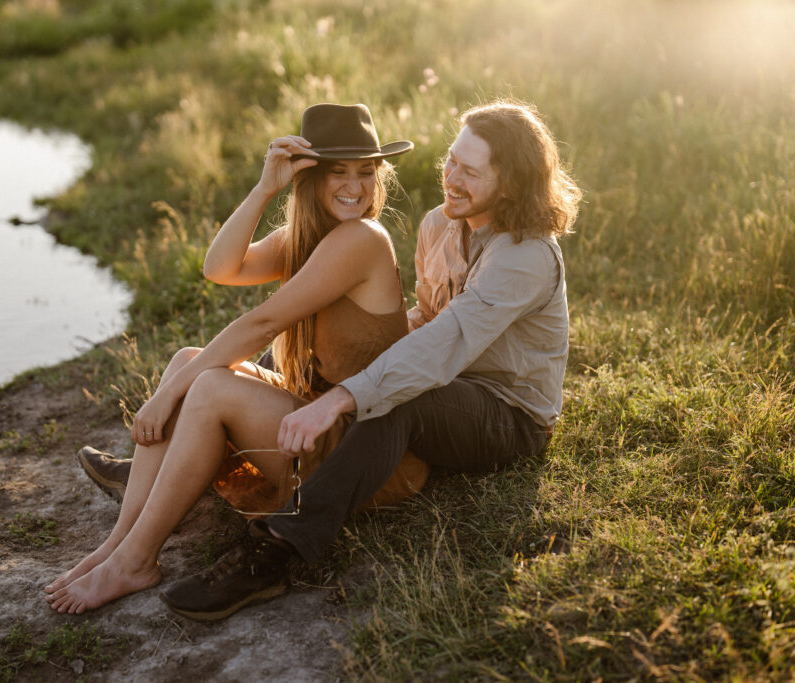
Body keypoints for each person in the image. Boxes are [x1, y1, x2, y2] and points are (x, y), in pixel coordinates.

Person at [158, 99, 582, 621]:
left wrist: (340, 398)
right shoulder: (440, 225)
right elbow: (427, 318)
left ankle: (279, 549)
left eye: (469, 172)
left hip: (507, 416)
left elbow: (443, 343)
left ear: (512, 182)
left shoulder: (524, 256)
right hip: (448, 390)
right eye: (451, 160)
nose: (450, 177)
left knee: (399, 399)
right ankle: (182, 452)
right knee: (355, 373)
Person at [43, 102, 428, 614]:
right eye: (339, 171)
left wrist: (165, 397)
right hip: (315, 425)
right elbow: (220, 267)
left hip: (366, 452)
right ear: (308, 178)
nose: (355, 187)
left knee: (204, 386)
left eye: (366, 172)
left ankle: (135, 559)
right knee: (187, 359)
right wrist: (265, 186)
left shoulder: (362, 239)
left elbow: (262, 324)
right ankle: (119, 545)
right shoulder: (310, 239)